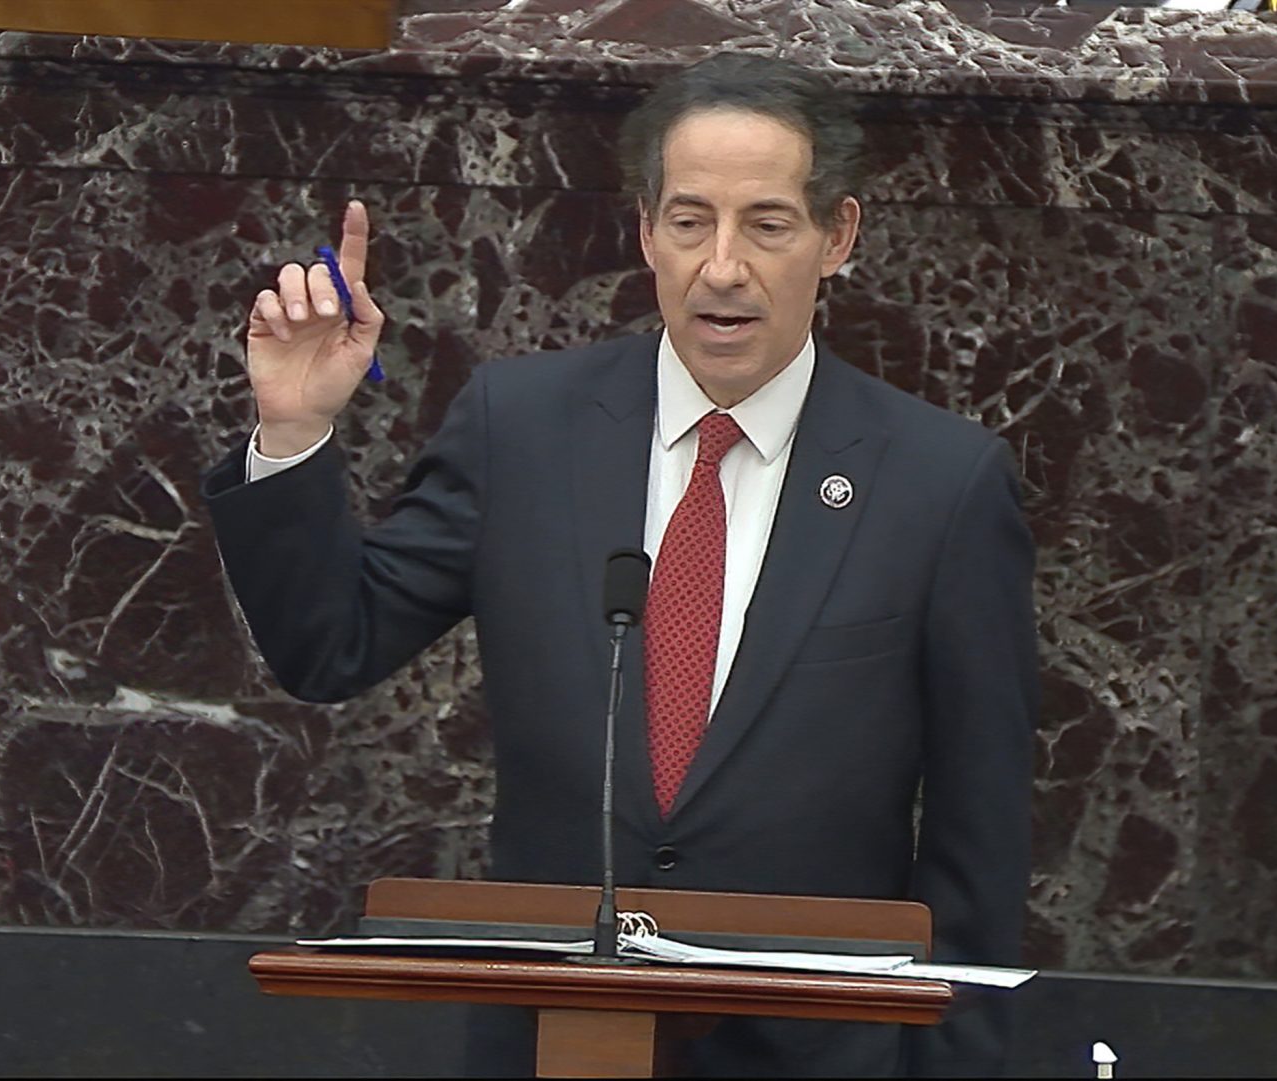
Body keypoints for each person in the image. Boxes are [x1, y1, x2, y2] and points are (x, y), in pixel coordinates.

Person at [202, 53, 1037, 1077]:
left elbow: (979, 842)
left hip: (819, 1055)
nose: (722, 267)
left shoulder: (941, 484)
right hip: (553, 1041)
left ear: (838, 238)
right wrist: (293, 432)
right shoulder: (524, 428)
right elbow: (332, 644)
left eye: (767, 225)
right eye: (689, 222)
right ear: (645, 231)